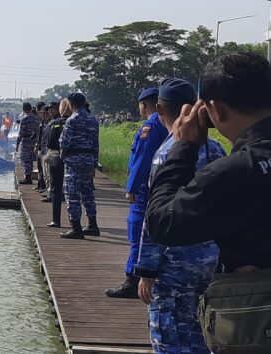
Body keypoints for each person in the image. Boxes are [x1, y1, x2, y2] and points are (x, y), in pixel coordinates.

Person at [144, 53, 271, 353]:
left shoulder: (235, 172)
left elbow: (163, 222)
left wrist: (184, 147)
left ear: (213, 109)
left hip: (254, 320)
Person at [133, 78, 227, 354]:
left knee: (171, 334)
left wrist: (146, 271)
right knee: (204, 330)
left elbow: (156, 216)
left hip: (174, 264)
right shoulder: (217, 150)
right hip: (213, 259)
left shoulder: (166, 155)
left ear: (160, 111)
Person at [105, 88, 168, 299]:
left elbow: (142, 159)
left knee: (137, 230)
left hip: (145, 188)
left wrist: (131, 187)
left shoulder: (150, 125)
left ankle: (132, 279)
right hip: (161, 188)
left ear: (143, 104)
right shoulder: (165, 123)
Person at [59, 93, 99, 239]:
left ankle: (76, 228)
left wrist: (62, 157)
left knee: (72, 194)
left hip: (74, 160)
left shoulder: (72, 120)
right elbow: (96, 143)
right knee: (87, 193)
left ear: (70, 103)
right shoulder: (93, 119)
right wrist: (94, 162)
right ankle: (93, 225)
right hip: (88, 159)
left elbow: (64, 142)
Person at [44, 99, 71, 227]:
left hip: (57, 159)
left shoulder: (55, 123)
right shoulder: (78, 122)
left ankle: (56, 220)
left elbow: (49, 142)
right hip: (73, 160)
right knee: (73, 191)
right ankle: (75, 222)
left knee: (56, 189)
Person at [16, 103, 39, 184]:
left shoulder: (24, 119)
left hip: (26, 141)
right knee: (31, 159)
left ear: (23, 109)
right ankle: (29, 177)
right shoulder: (36, 118)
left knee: (25, 160)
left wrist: (17, 144)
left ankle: (27, 178)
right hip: (34, 141)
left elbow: (21, 134)